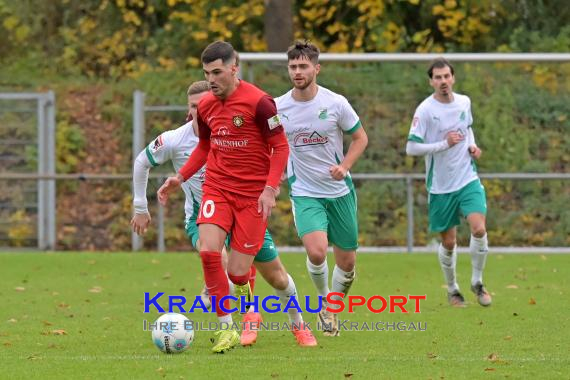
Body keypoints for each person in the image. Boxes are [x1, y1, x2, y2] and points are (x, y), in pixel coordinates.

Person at [157, 41, 317, 352]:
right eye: (206, 73)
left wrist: (270, 189)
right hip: (217, 189)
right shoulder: (205, 106)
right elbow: (205, 146)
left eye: (217, 72)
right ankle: (227, 327)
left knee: (243, 272)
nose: (212, 79)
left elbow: (281, 147)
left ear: (234, 68)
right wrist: (180, 176)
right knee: (208, 251)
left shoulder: (260, 103)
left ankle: (298, 322)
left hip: (252, 198)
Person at [130, 80, 257, 309]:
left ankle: (237, 298)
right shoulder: (175, 138)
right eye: (193, 106)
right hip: (200, 216)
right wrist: (140, 207)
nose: (198, 111)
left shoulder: (235, 132)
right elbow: (141, 162)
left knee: (269, 273)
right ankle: (226, 310)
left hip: (239, 210)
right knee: (219, 259)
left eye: (204, 104)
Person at [275, 41, 368, 337]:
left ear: (316, 68)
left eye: (303, 66)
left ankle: (333, 305)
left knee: (348, 262)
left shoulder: (336, 103)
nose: (298, 72)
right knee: (316, 253)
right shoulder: (277, 107)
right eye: (293, 67)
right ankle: (325, 302)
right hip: (304, 191)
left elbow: (360, 138)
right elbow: (269, 144)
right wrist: (272, 174)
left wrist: (345, 167)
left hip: (339, 192)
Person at [406, 57, 492, 308]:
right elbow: (411, 148)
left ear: (453, 78)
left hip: (467, 177)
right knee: (449, 242)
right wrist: (445, 144)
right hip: (441, 186)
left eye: (446, 76)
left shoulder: (465, 101)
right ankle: (453, 289)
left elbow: (468, 129)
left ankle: (477, 282)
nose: (443, 81)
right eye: (438, 77)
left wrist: (472, 146)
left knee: (478, 229)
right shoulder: (425, 110)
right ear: (431, 81)